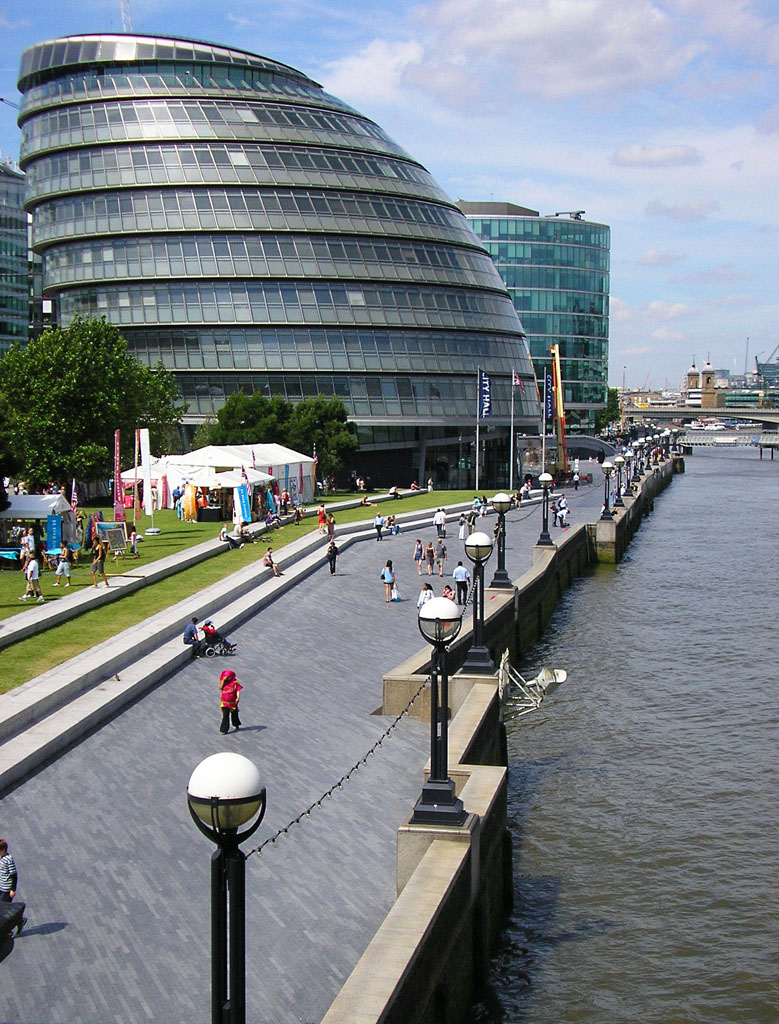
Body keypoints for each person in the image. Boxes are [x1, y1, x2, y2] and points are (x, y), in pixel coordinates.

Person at [0, 840, 26, 935]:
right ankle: (20, 920)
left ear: (3, 850)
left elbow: (14, 875)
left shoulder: (9, 860)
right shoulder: (1, 857)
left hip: (6, 889)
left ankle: (7, 931)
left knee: (3, 910)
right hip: (0, 886)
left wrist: (12, 889)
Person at [218, 669, 242, 734]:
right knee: (225, 715)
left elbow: (238, 690)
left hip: (233, 703)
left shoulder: (235, 683)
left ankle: (236, 724)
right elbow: (220, 688)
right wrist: (223, 680)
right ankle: (224, 730)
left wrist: (238, 697)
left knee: (234, 714)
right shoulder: (223, 682)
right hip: (225, 703)